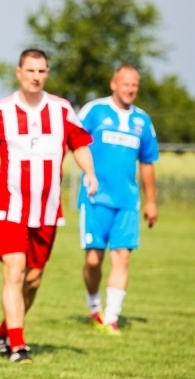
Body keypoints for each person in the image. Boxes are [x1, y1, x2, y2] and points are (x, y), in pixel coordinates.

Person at [0, 48, 98, 364]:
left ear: (47, 74)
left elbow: (80, 145)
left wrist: (89, 172)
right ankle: (18, 346)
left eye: (41, 71)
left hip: (47, 210)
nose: (36, 76)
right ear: (19, 72)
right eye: (30, 70)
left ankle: (5, 329)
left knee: (33, 280)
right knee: (15, 272)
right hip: (9, 209)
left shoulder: (61, 110)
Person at [77, 65, 159, 335]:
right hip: (95, 198)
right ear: (113, 84)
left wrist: (151, 201)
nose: (130, 88)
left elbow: (147, 163)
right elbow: (73, 143)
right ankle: (94, 306)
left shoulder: (143, 121)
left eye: (134, 84)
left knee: (122, 258)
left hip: (127, 203)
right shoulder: (94, 111)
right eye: (125, 83)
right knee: (93, 261)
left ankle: (111, 318)